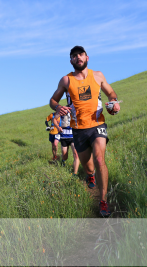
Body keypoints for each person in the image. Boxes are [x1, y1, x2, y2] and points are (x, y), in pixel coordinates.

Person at [49, 46, 121, 217]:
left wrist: (113, 102)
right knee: (88, 166)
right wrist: (59, 106)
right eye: (74, 56)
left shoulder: (98, 75)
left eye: (80, 55)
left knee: (99, 158)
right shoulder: (66, 80)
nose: (78, 58)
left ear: (87, 57)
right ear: (71, 61)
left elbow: (110, 92)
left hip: (97, 124)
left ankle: (103, 201)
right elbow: (52, 100)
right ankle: (90, 175)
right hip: (78, 129)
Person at [52, 111, 80, 175]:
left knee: (76, 154)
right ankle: (63, 161)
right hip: (64, 136)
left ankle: (75, 173)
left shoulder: (77, 108)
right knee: (64, 155)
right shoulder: (63, 110)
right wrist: (58, 127)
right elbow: (54, 119)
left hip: (74, 135)